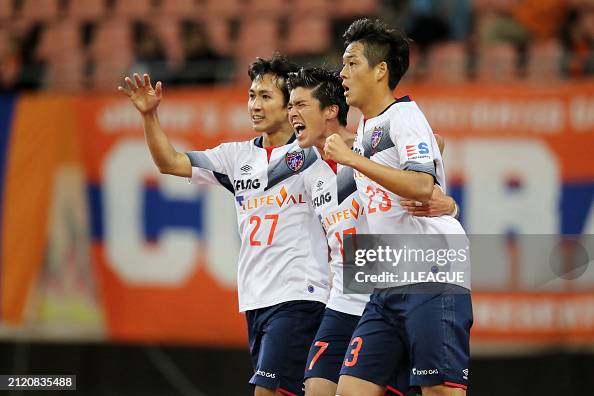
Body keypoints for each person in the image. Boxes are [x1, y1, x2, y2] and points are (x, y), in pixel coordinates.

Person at [118, 55, 328, 396]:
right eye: (251, 95)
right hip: (256, 299)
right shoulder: (236, 157)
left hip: (299, 293)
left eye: (265, 96)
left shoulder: (313, 153)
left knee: (268, 392)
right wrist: (149, 115)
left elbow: (353, 158)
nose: (255, 105)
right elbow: (170, 162)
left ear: (290, 105)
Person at [287, 67, 459, 396]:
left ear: (331, 111)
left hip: (381, 294)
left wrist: (448, 205)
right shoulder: (304, 168)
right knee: (316, 388)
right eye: (290, 106)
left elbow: (430, 162)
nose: (292, 113)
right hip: (342, 297)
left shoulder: (365, 150)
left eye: (301, 105)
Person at [323, 19, 472, 396]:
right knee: (350, 390)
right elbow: (411, 167)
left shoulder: (403, 115)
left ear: (380, 70)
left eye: (352, 63)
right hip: (386, 280)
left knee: (440, 391)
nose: (343, 73)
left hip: (431, 273)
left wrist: (355, 160)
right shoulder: (369, 129)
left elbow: (423, 185)